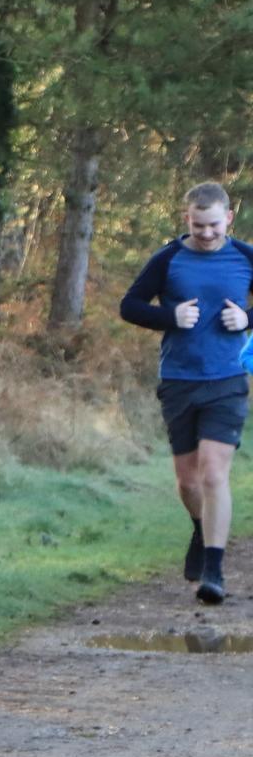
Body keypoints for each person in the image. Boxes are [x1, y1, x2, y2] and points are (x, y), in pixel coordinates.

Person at [120, 182, 253, 604]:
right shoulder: (168, 258)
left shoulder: (246, 256)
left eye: (214, 225)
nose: (207, 233)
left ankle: (214, 570)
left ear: (228, 218)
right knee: (188, 482)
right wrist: (170, 316)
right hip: (179, 379)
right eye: (199, 226)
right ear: (186, 219)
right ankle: (200, 528)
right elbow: (130, 305)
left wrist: (247, 319)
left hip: (228, 378)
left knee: (213, 473)